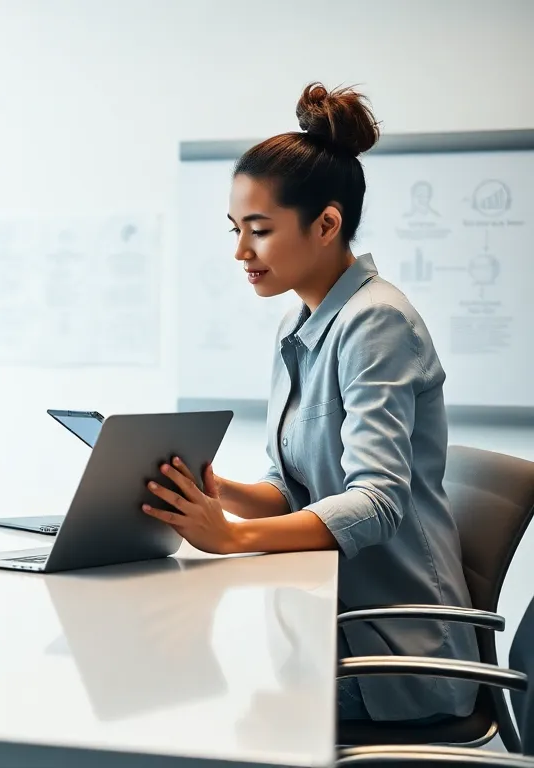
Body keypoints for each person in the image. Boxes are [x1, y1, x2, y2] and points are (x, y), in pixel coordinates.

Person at [142, 83, 478, 723]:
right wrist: (222, 493)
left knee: (201, 711)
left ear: (326, 224)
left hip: (393, 658)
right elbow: (295, 485)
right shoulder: (302, 320)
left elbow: (376, 503)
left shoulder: (377, 323)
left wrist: (236, 537)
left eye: (259, 231)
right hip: (326, 628)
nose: (241, 251)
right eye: (236, 230)